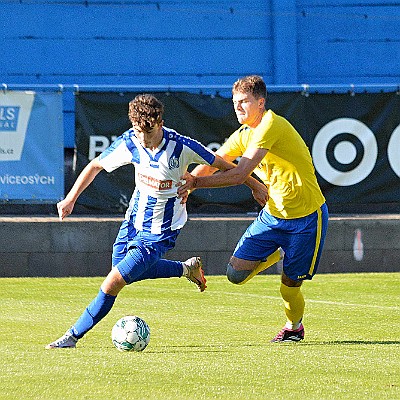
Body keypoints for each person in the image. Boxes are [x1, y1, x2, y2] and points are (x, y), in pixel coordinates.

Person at [46, 93, 268, 349]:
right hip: (133, 223)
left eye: (149, 134)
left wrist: (254, 185)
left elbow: (226, 165)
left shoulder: (181, 146)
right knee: (123, 271)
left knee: (113, 282)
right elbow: (95, 166)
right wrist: (71, 199)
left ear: (160, 124)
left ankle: (72, 336)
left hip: (160, 232)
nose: (144, 139)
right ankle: (186, 269)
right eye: (139, 133)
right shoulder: (130, 141)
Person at [178, 75, 329, 342]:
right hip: (273, 216)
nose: (238, 107)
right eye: (235, 102)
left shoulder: (270, 125)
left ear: (261, 102)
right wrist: (186, 186)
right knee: (234, 275)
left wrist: (197, 182)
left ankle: (294, 327)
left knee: (289, 286)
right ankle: (278, 253)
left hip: (306, 218)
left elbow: (240, 174)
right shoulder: (243, 134)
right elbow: (214, 162)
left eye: (244, 101)